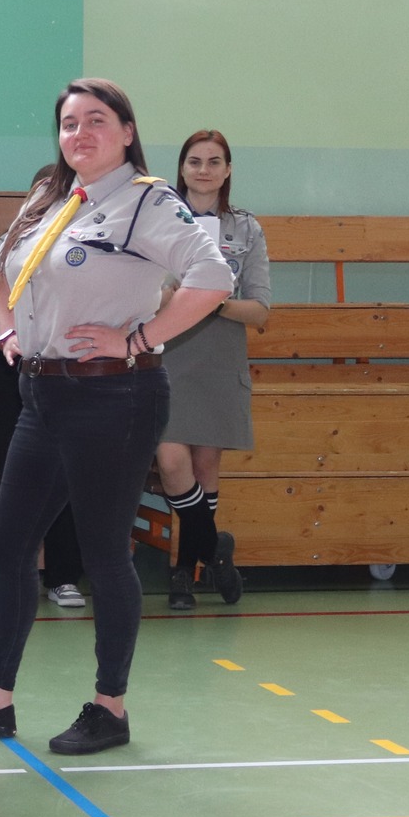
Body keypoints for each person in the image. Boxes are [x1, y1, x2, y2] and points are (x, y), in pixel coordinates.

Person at [0, 78, 231, 755]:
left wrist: (138, 338)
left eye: (96, 121)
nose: (80, 133)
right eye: (69, 123)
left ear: (126, 131)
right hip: (43, 394)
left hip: (114, 397)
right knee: (9, 546)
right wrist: (11, 331)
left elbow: (213, 279)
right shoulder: (54, 198)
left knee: (102, 551)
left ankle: (110, 707)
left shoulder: (148, 201)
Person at [157, 130, 269, 610]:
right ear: (181, 168)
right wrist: (171, 296)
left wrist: (212, 301)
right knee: (170, 459)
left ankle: (185, 572)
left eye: (214, 162)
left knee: (205, 467)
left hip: (220, 355)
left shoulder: (247, 229)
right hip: (167, 350)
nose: (203, 170)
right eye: (195, 161)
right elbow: (142, 294)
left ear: (227, 171)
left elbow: (260, 310)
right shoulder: (157, 220)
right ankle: (215, 549)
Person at [0, 165, 85, 609]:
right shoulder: (8, 245)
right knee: (14, 472)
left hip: (70, 372)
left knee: (67, 473)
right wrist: (7, 347)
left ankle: (64, 575)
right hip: (14, 375)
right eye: (43, 192)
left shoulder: (84, 248)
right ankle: (15, 572)